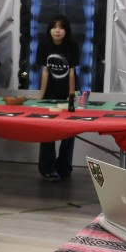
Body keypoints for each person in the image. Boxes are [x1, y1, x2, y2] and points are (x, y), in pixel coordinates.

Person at [35, 15, 79, 181]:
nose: (57, 30)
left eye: (61, 27)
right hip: (49, 95)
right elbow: (45, 72)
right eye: (54, 27)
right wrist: (41, 95)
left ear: (66, 31)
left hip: (66, 94)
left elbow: (72, 72)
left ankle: (64, 167)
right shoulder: (43, 45)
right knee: (47, 133)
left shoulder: (72, 45)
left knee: (69, 133)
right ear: (50, 30)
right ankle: (47, 168)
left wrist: (71, 95)